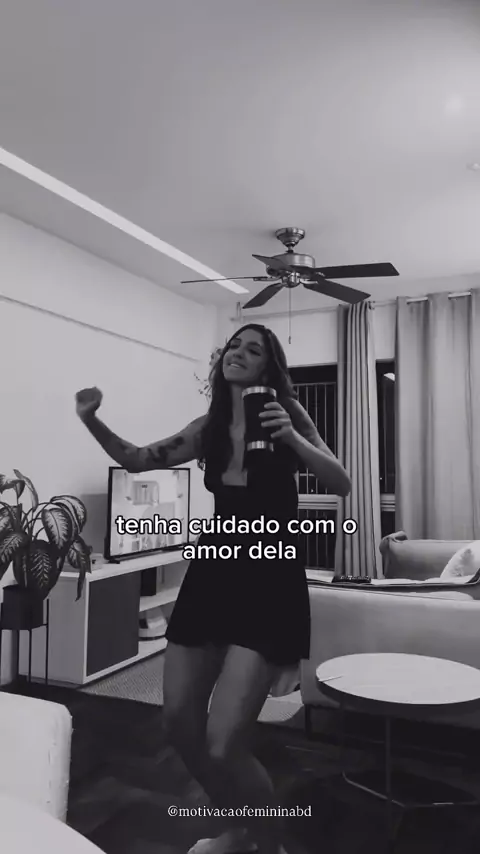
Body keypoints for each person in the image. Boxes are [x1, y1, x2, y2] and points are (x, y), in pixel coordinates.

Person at [75, 323, 351, 854]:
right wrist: (91, 419)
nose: (238, 354)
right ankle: (240, 828)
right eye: (234, 346)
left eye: (254, 350)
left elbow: (340, 483)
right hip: (214, 572)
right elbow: (137, 460)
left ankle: (268, 841)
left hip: (270, 576)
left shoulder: (289, 413)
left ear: (269, 367)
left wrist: (294, 439)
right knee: (179, 724)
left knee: (224, 744)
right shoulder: (208, 427)